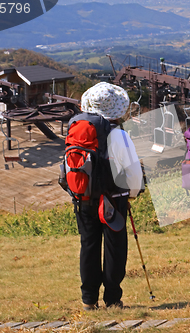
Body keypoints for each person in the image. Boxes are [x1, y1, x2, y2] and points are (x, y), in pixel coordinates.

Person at [76, 82, 143, 310]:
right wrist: (132, 194)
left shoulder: (79, 130)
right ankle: (112, 298)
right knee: (115, 247)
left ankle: (88, 299)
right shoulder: (119, 135)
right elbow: (134, 173)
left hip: (84, 198)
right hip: (113, 199)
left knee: (89, 245)